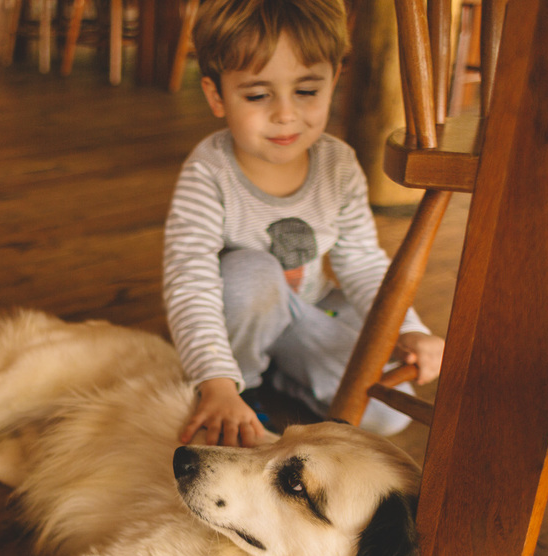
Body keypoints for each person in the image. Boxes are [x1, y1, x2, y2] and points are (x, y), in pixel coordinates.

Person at [163, 0, 446, 447]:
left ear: (334, 79)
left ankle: (277, 370)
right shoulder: (208, 172)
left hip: (308, 309)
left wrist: (409, 328)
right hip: (239, 315)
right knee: (249, 273)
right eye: (258, 95)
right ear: (217, 95)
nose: (285, 114)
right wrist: (216, 380)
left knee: (388, 412)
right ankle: (242, 382)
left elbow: (361, 263)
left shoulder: (339, 164)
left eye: (307, 91)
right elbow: (189, 281)